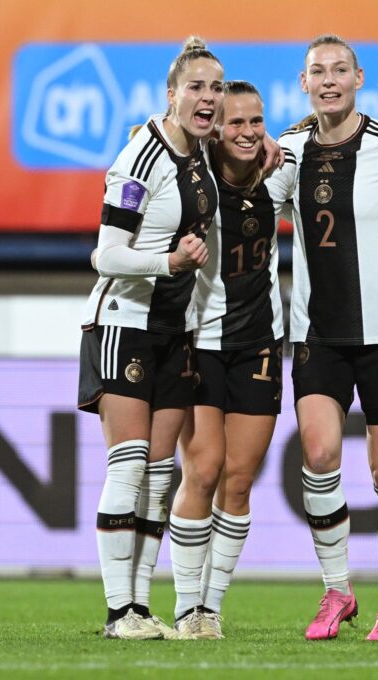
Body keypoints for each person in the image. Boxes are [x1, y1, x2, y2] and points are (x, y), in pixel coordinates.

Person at [265, 35, 378, 642]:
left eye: (340, 70)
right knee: (318, 455)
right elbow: (249, 206)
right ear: (303, 82)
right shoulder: (288, 151)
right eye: (318, 71)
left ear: (359, 77)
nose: (329, 80)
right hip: (319, 333)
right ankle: (338, 590)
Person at [77, 36, 220, 640]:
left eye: (216, 87)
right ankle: (117, 612)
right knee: (130, 463)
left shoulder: (199, 158)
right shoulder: (143, 155)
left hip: (171, 330)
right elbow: (103, 253)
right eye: (196, 87)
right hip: (123, 324)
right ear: (172, 94)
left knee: (160, 475)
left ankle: (138, 606)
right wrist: (169, 263)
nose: (208, 98)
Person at [167, 81, 285, 640]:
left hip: (260, 343)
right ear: (216, 128)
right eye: (235, 123)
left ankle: (210, 608)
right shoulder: (197, 179)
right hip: (203, 342)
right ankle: (186, 606)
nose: (247, 132)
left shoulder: (280, 172)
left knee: (238, 482)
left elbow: (326, 135)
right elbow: (165, 132)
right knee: (205, 469)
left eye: (255, 122)